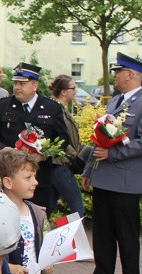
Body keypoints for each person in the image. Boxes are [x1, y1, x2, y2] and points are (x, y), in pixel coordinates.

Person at [80, 53, 142, 274]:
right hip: (104, 179)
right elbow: (100, 138)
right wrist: (88, 170)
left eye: (118, 71)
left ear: (130, 75)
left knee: (126, 236)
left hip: (126, 184)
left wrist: (113, 153)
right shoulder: (114, 102)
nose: (114, 75)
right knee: (102, 236)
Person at [0, 62, 70, 215]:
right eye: (15, 83)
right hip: (8, 178)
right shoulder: (3, 105)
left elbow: (63, 139)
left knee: (37, 220)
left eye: (22, 83)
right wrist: (6, 151)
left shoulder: (52, 107)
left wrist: (45, 154)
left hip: (39, 180)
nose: (17, 87)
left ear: (34, 85)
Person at [49, 74, 86, 216]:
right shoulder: (56, 110)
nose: (75, 91)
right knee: (77, 205)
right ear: (63, 92)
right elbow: (60, 137)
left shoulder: (62, 109)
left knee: (49, 206)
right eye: (73, 88)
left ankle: (39, 234)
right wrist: (74, 156)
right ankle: (76, 237)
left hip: (60, 163)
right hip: (60, 163)